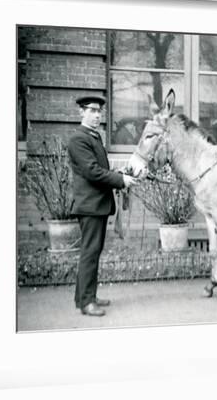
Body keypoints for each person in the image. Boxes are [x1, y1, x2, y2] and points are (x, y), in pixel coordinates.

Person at [67, 95, 138, 316]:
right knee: (90, 253)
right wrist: (120, 181)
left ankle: (85, 297)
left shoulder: (93, 137)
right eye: (92, 110)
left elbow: (99, 169)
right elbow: (92, 172)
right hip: (90, 206)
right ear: (81, 112)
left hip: (95, 205)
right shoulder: (79, 139)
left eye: (99, 111)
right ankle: (87, 302)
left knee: (93, 252)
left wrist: (122, 175)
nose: (97, 115)